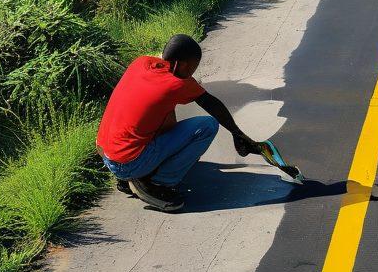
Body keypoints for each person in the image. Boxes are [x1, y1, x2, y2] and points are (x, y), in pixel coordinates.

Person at [96, 34, 260, 212]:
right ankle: (158, 183)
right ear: (183, 64)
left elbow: (168, 122)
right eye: (192, 68)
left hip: (106, 153)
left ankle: (130, 177)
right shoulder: (176, 84)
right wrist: (238, 134)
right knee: (207, 125)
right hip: (128, 164)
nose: (192, 74)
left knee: (165, 118)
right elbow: (211, 103)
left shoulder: (141, 63)